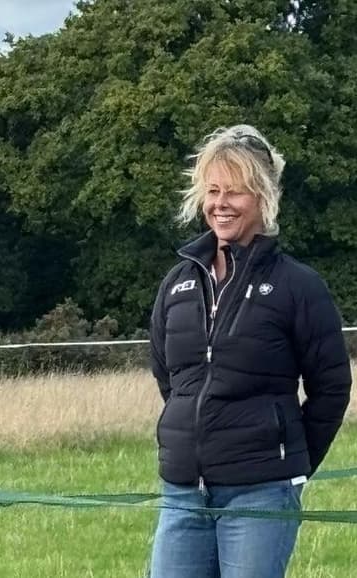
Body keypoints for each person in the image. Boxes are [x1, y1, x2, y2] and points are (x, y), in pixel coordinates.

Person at [148, 124, 352, 578]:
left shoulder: (298, 286)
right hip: (183, 494)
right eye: (212, 190)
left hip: (260, 494)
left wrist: (288, 464)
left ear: (263, 196)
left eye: (235, 192)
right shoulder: (178, 283)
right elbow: (171, 378)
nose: (220, 204)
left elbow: (332, 388)